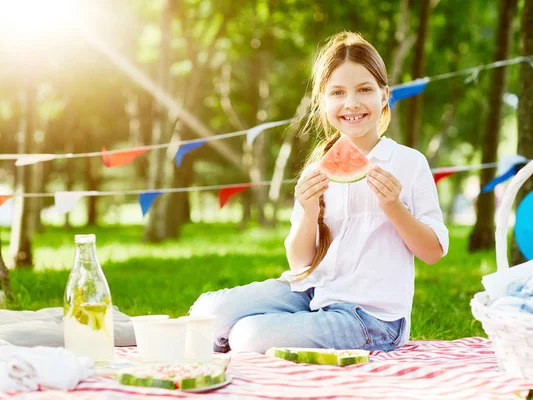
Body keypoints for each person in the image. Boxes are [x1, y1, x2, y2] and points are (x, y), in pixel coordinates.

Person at [189, 31, 449, 354]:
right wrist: (308, 211)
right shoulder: (318, 168)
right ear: (323, 101)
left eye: (364, 90)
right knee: (206, 313)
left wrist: (394, 208)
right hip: (310, 291)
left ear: (384, 95)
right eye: (337, 92)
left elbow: (433, 252)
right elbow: (300, 262)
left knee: (248, 336)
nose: (351, 103)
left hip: (372, 319)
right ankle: (232, 333)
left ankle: (240, 337)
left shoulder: (409, 163)